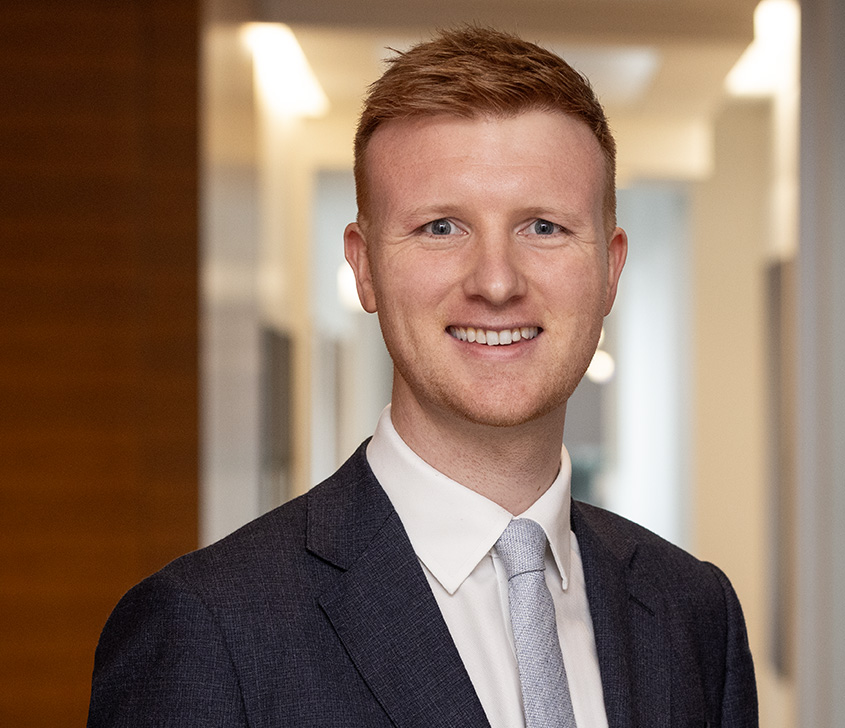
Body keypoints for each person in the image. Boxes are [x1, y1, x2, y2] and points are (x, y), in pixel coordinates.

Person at [88, 26, 758, 728]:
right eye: (441, 227)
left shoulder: (694, 614)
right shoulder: (209, 632)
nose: (496, 282)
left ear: (610, 268)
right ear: (364, 266)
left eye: (543, 227)